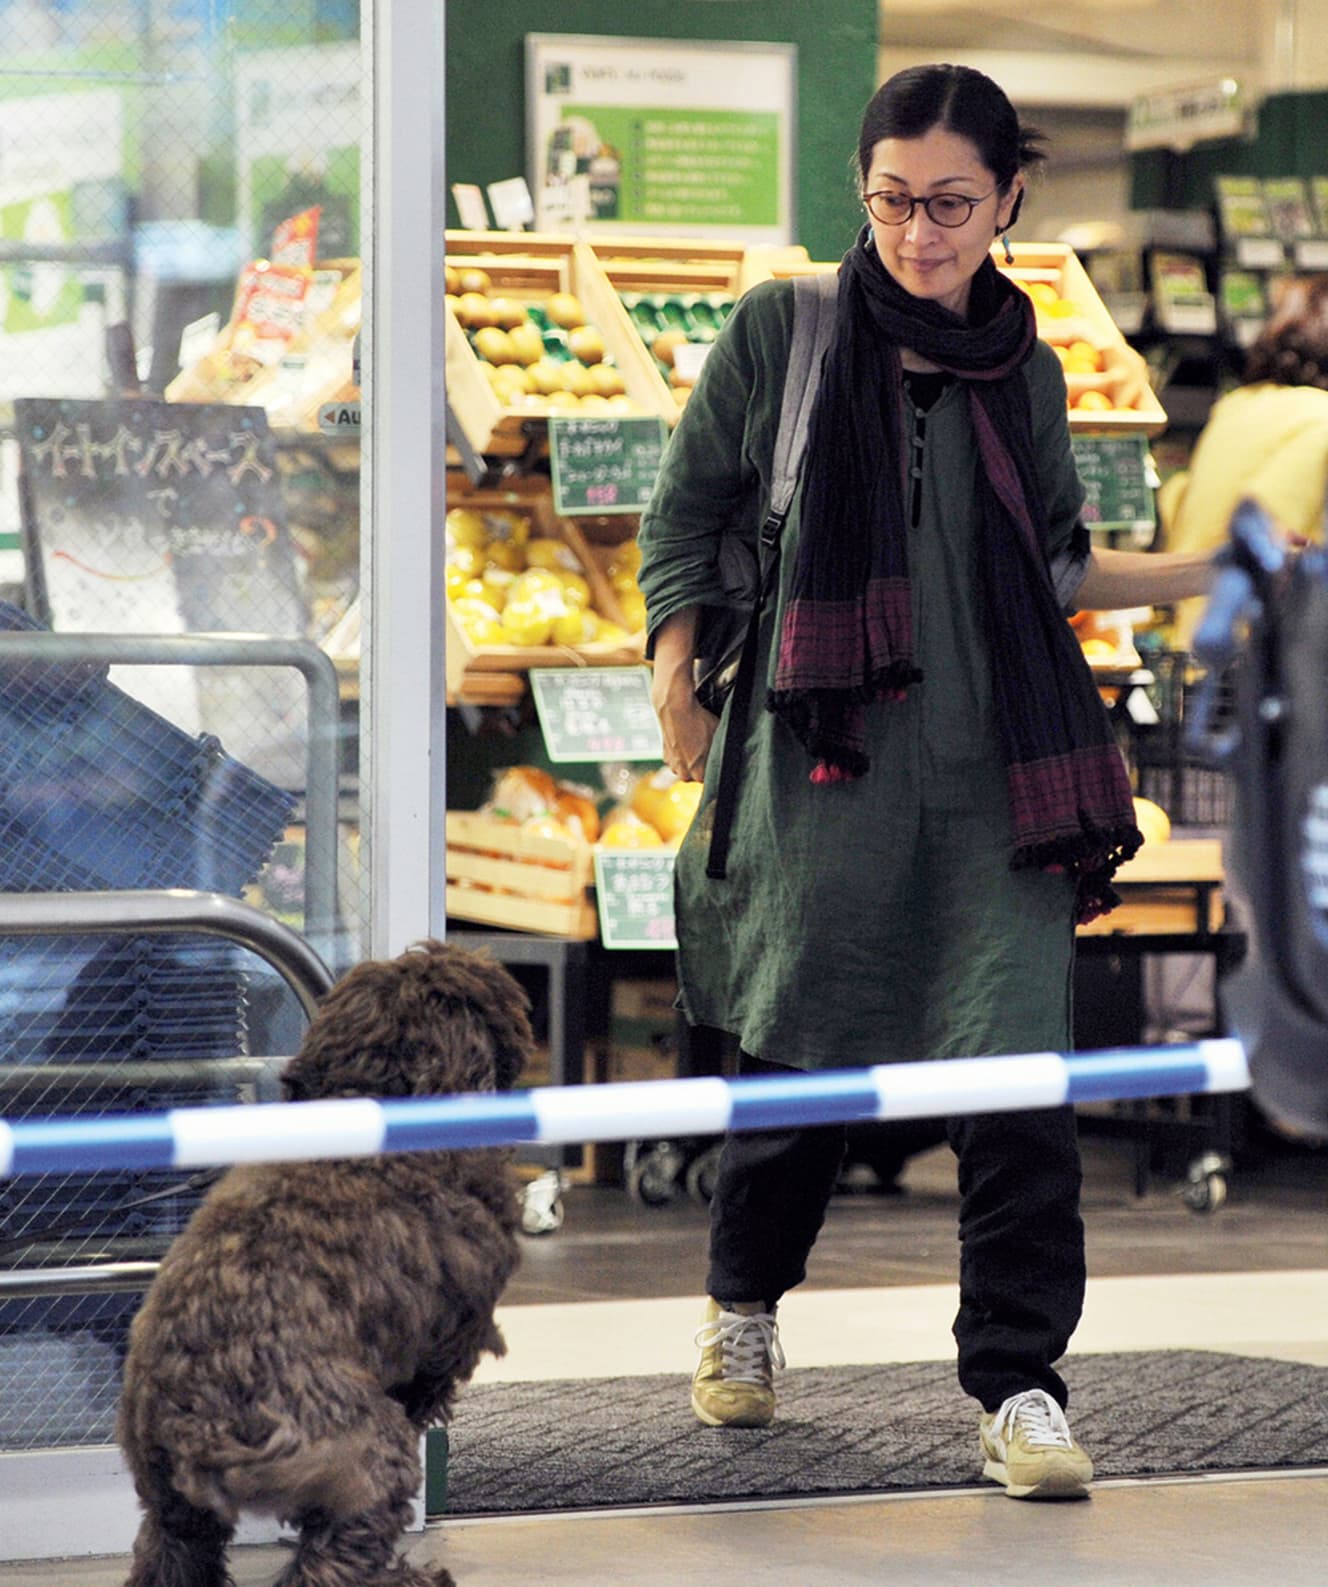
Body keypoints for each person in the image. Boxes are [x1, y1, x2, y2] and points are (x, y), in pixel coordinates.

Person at [637, 62, 1215, 1502]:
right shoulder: (790, 327)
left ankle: (1019, 1382)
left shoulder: (1025, 365)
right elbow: (684, 510)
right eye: (892, 200)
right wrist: (669, 679)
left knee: (1021, 1080)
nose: (918, 233)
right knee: (795, 1052)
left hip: (998, 770)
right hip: (817, 753)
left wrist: (1215, 566)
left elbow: (1059, 564)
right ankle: (745, 1306)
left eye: (951, 204)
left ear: (1010, 197)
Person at [1160, 272, 1328, 651]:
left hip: (1196, 639)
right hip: (1269, 662)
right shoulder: (1321, 420)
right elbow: (1271, 526)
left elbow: (1178, 503)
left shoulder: (1237, 406)